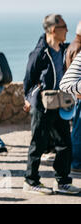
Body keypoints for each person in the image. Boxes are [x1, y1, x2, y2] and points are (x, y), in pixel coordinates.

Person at [22, 14, 80, 195]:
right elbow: (28, 80)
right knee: (38, 143)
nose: (67, 30)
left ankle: (62, 182)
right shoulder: (39, 53)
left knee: (64, 144)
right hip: (42, 106)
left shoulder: (63, 49)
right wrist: (31, 100)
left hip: (60, 104)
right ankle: (30, 181)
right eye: (64, 27)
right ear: (54, 30)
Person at [60, 21, 81, 175]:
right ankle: (75, 163)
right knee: (77, 131)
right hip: (78, 96)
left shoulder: (72, 46)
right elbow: (67, 82)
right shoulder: (77, 48)